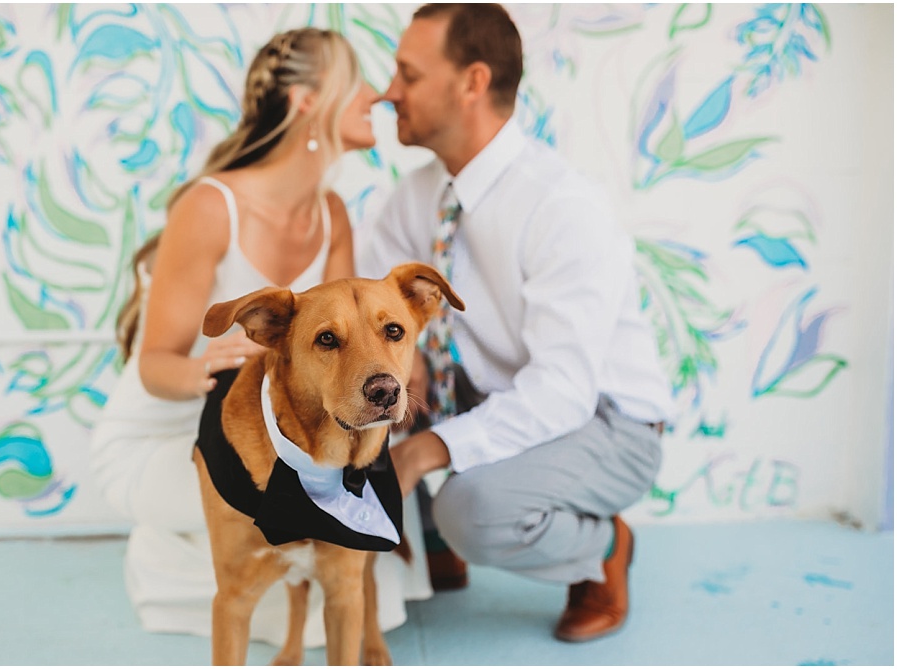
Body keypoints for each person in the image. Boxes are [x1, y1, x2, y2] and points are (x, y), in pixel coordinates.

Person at [90, 27, 431, 647]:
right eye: (359, 81)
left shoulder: (332, 213)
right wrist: (208, 366)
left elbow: (346, 355)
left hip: (285, 410)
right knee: (268, 527)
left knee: (353, 536)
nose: (379, 95)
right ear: (309, 101)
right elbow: (154, 366)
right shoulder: (210, 206)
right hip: (174, 416)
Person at [356, 4, 675, 643]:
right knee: (350, 408)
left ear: (472, 82)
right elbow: (368, 316)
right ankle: (434, 548)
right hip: (487, 393)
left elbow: (561, 391)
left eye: (407, 75)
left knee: (471, 509)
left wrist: (428, 448)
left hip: (606, 421)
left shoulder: (560, 205)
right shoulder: (416, 197)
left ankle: (602, 548)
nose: (388, 92)